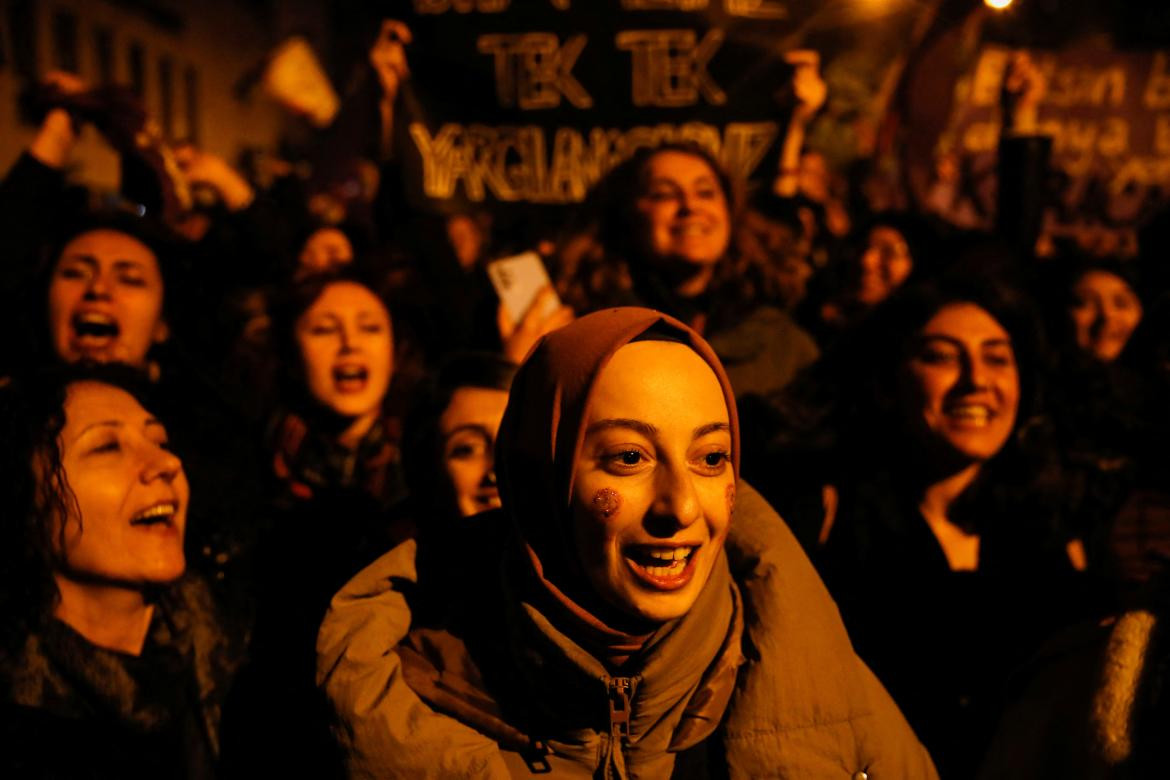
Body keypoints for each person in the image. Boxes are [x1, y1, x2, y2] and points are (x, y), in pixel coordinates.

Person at [317, 307, 937, 778]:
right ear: (541, 481)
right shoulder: (408, 686)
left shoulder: (817, 676)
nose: (681, 506)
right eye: (629, 457)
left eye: (711, 457)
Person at [763, 274, 1086, 778]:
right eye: (942, 355)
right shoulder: (826, 514)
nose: (976, 379)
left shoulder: (1056, 534)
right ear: (889, 379)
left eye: (997, 357)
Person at [0, 366, 244, 779]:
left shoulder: (251, 651)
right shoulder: (20, 707)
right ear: (26, 498)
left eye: (161, 441)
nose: (166, 462)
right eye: (107, 447)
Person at [560, 142, 819, 402]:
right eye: (664, 194)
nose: (690, 205)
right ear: (628, 216)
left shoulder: (783, 344)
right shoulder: (582, 343)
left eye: (705, 192)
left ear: (730, 211)